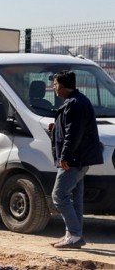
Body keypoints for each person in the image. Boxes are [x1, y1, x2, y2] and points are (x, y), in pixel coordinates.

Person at [49, 70, 103, 249]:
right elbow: (71, 129)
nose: (53, 88)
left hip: (73, 160)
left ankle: (74, 234)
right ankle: (73, 234)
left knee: (59, 196)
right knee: (75, 198)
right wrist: (56, 127)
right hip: (79, 158)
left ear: (63, 87)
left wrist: (65, 157)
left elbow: (74, 134)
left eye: (55, 85)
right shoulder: (78, 101)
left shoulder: (74, 104)